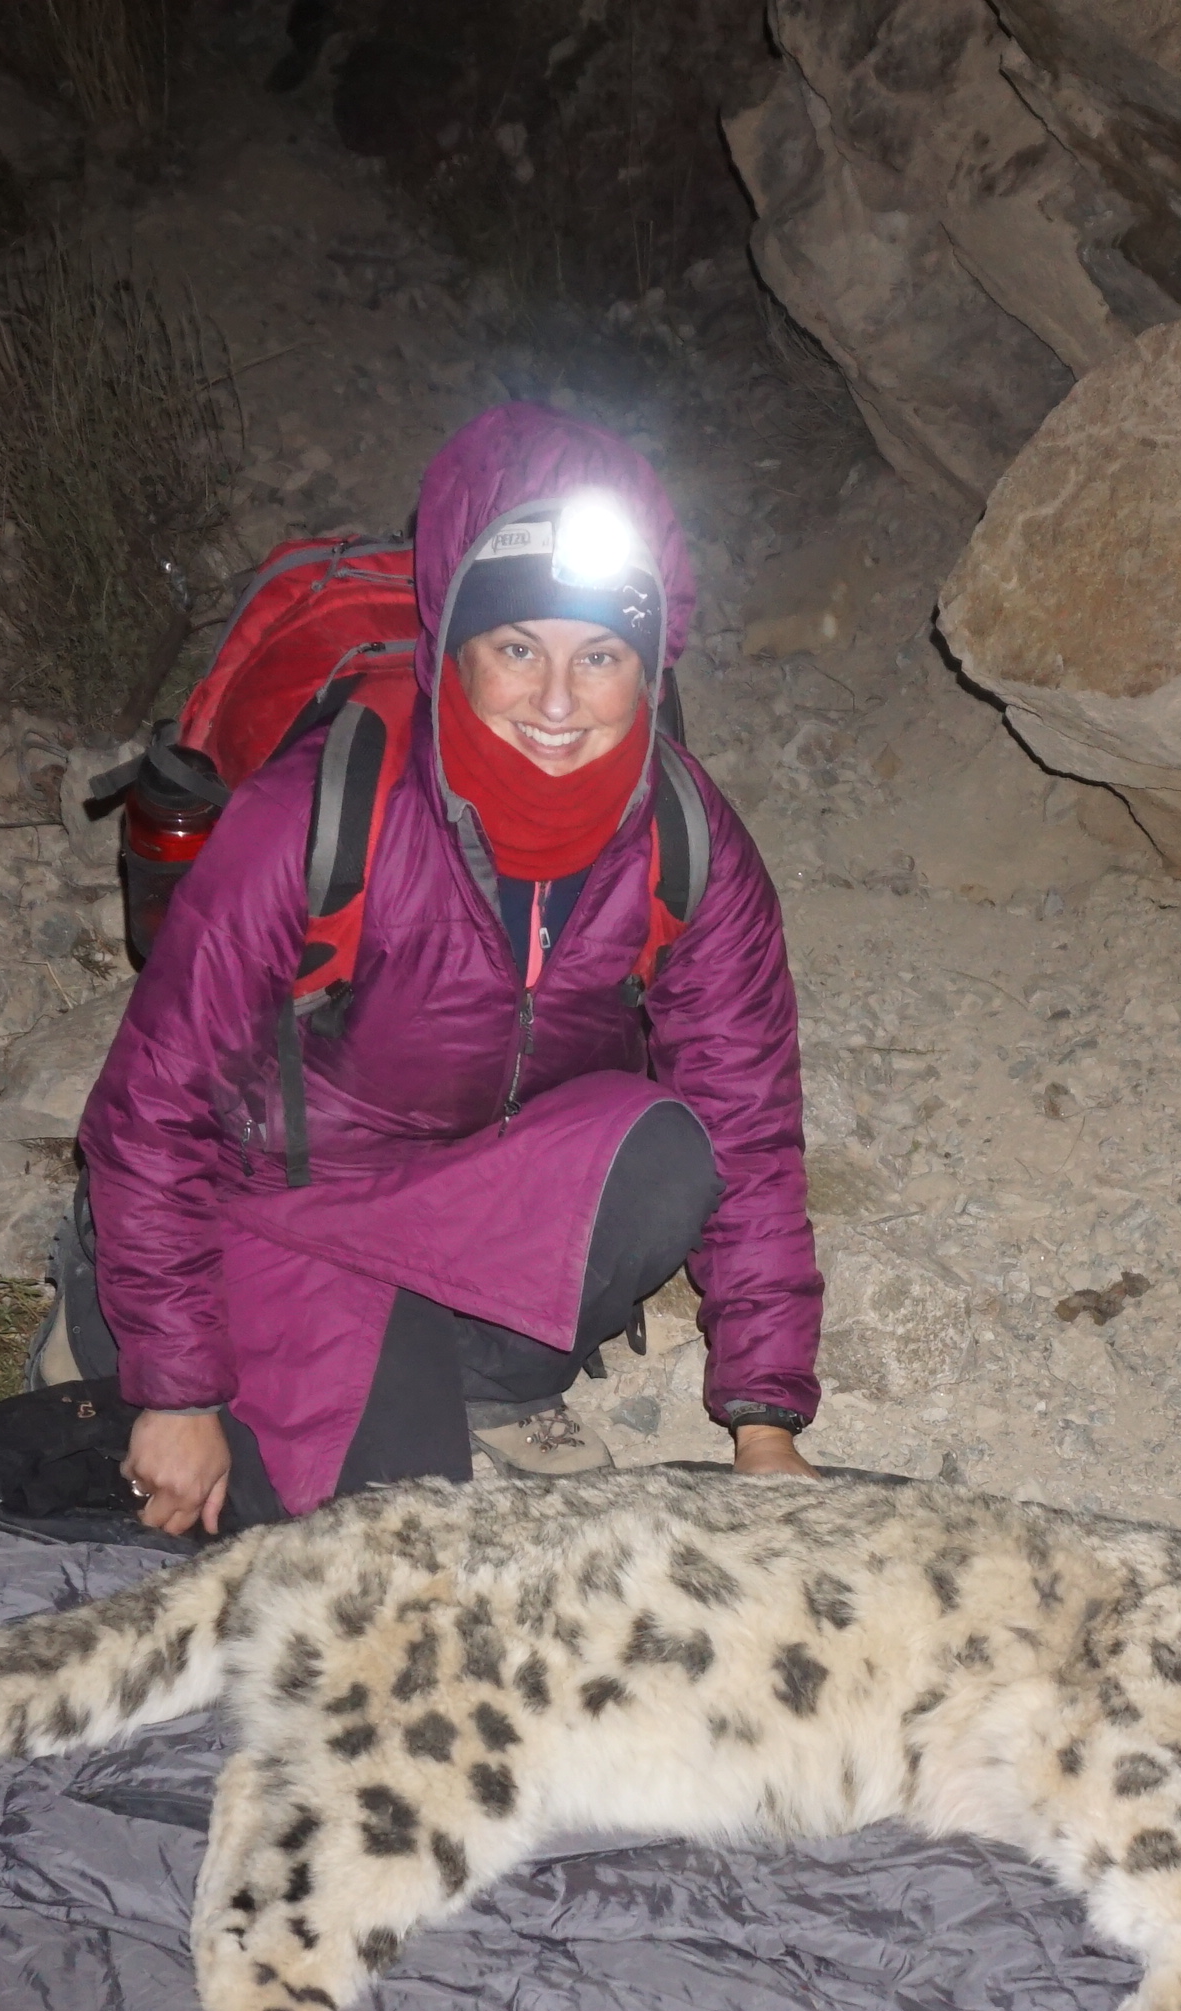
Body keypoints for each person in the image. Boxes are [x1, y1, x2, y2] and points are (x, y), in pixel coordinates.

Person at [50, 403, 825, 1538]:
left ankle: (463, 1366)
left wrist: (767, 1427)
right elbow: (154, 1111)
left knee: (669, 1152)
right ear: (453, 642)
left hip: (463, 1197)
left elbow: (750, 1126)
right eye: (518, 649)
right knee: (384, 1542)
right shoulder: (316, 815)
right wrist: (177, 1390)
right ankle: (107, 1311)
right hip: (280, 1210)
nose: (558, 704)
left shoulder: (686, 838)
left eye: (599, 656)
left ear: (649, 668)